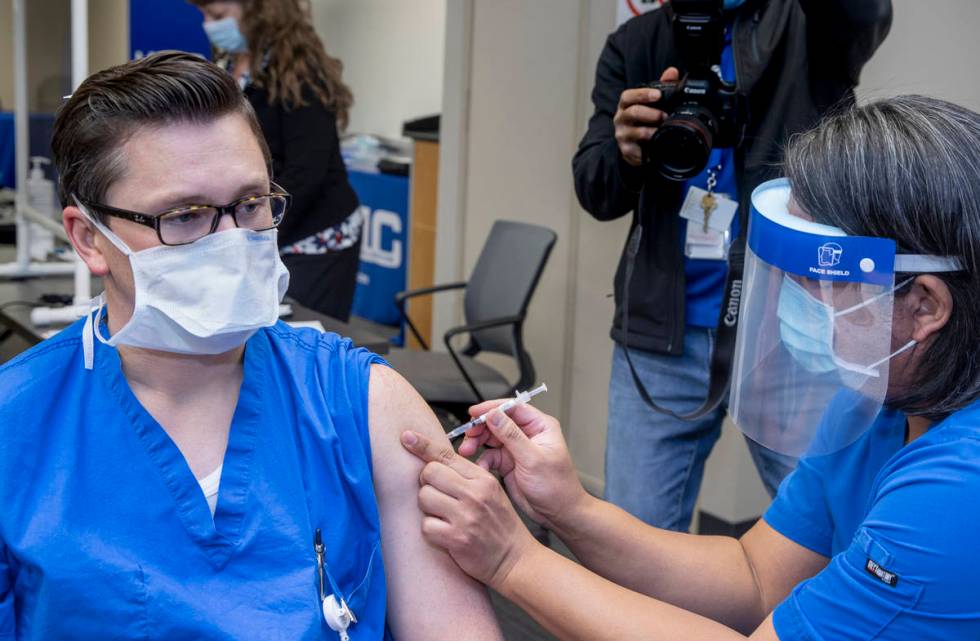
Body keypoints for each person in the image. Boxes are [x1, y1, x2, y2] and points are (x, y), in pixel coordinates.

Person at [402, 96, 980, 640]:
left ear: (926, 305)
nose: (797, 300)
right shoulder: (878, 406)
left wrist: (511, 559)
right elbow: (755, 576)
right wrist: (570, 509)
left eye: (821, 281)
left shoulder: (959, 490)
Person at [0, 52, 502, 640]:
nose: (233, 242)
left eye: (250, 203)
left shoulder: (362, 405)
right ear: (90, 238)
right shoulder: (17, 425)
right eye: (185, 216)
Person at [573, 0, 893, 530]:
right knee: (634, 542)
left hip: (788, 333)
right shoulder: (636, 44)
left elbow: (865, 13)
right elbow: (594, 189)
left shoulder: (808, 26)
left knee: (828, 534)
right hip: (660, 335)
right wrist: (625, 151)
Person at [191, 0, 362, 322]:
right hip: (263, 221)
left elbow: (306, 171)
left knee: (300, 334)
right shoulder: (230, 66)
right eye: (204, 16)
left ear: (259, 11)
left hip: (313, 232)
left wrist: (255, 229)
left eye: (217, 16)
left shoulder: (300, 75)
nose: (209, 26)